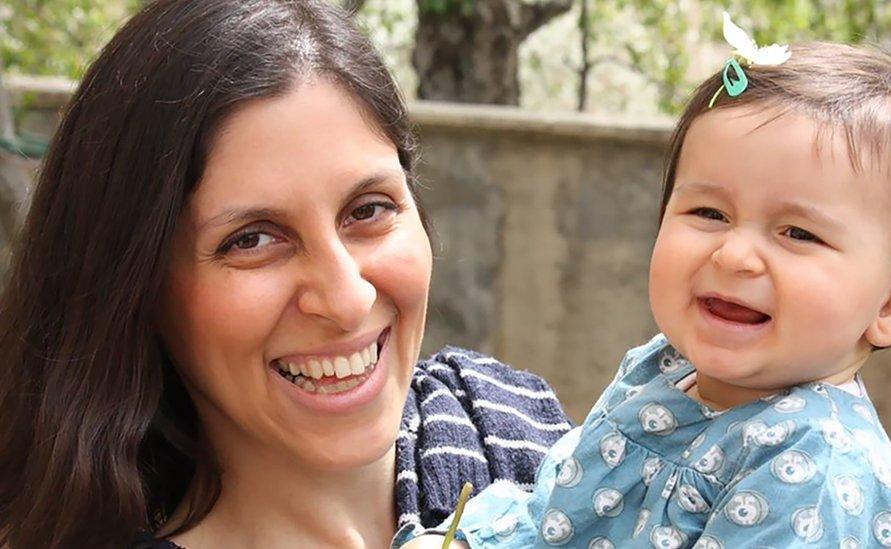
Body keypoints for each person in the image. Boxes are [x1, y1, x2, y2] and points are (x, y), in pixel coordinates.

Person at [0, 1, 573, 547]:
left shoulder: (509, 422)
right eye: (252, 240)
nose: (347, 298)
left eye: (369, 209)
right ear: (136, 287)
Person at [402, 18, 891, 549]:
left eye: (797, 232)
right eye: (710, 213)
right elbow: (555, 514)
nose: (736, 254)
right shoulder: (663, 368)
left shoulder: (816, 465)